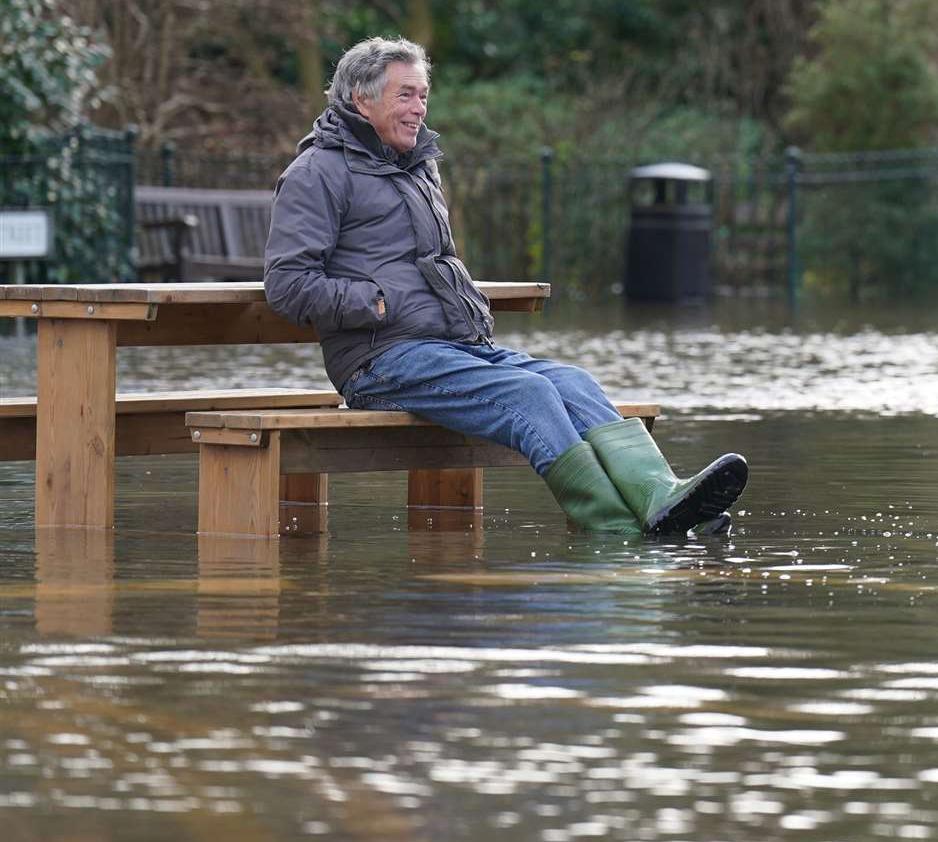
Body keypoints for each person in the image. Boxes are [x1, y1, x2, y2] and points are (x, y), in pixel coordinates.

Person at [263, 36, 746, 535]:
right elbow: (287, 284)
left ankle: (660, 501)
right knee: (528, 392)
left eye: (423, 94)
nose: (419, 108)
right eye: (405, 94)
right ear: (361, 99)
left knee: (575, 383)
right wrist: (377, 303)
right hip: (378, 362)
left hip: (453, 347)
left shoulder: (418, 167)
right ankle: (617, 530)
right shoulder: (317, 172)